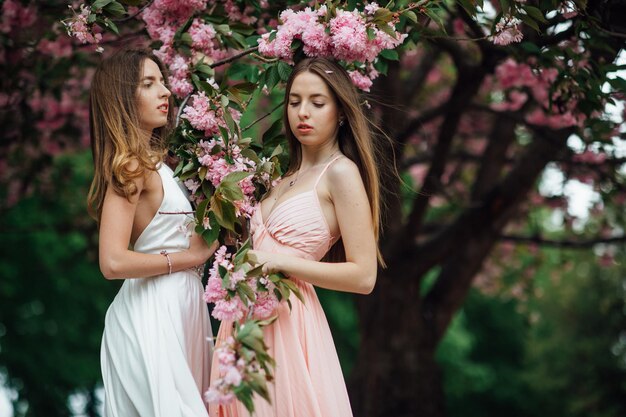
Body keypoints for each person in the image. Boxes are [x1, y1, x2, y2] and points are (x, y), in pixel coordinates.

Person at [210, 57, 384, 417]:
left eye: (317, 103)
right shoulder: (281, 176)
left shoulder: (341, 174)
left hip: (290, 323)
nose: (303, 112)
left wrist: (280, 262)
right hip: (242, 320)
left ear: (339, 112)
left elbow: (364, 276)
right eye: (294, 102)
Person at [87, 48, 217, 417]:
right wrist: (190, 257)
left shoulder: (162, 166)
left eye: (162, 81)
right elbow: (112, 261)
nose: (165, 92)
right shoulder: (131, 166)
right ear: (123, 97)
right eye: (149, 83)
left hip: (183, 309)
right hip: (152, 314)